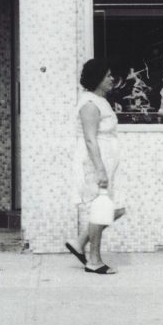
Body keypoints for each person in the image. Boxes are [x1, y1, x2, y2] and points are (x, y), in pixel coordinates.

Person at [66, 59, 126, 275]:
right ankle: (94, 260)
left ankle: (79, 242)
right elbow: (91, 140)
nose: (112, 79)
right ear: (98, 78)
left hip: (105, 162)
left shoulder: (100, 100)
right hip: (94, 163)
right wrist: (100, 169)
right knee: (100, 209)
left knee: (116, 208)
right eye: (108, 75)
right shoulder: (89, 103)